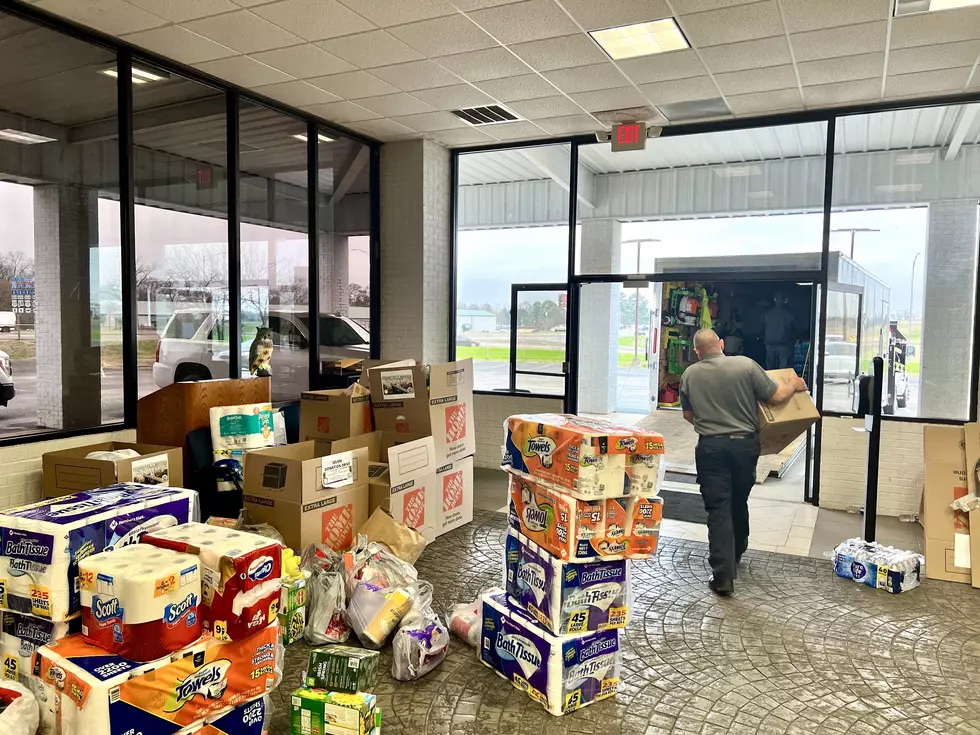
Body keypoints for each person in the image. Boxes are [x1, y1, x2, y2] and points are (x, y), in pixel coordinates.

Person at [680, 328, 807, 597]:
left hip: (711, 448)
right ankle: (737, 550)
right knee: (738, 500)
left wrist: (711, 421)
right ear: (722, 344)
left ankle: (723, 576)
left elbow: (688, 416)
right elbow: (777, 397)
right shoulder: (746, 365)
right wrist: (795, 384)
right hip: (744, 446)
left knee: (718, 508)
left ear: (697, 351)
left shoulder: (689, 375)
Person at [763, 291, 795, 369]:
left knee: (770, 368)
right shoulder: (789, 313)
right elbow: (794, 327)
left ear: (774, 299)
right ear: (786, 300)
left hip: (770, 343)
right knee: (783, 368)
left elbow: (762, 326)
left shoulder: (767, 313)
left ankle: (769, 381)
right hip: (785, 344)